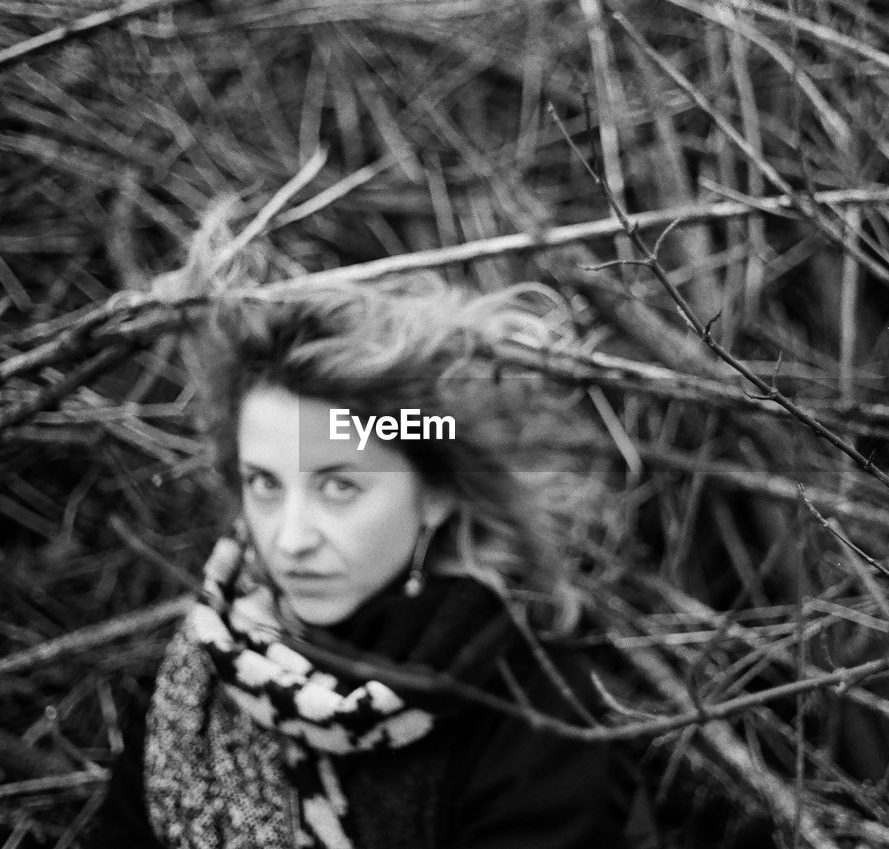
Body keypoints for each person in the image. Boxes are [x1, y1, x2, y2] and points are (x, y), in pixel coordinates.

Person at [85, 227, 637, 849]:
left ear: (435, 494)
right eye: (265, 484)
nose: (290, 540)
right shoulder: (207, 669)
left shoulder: (532, 712)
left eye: (339, 487)